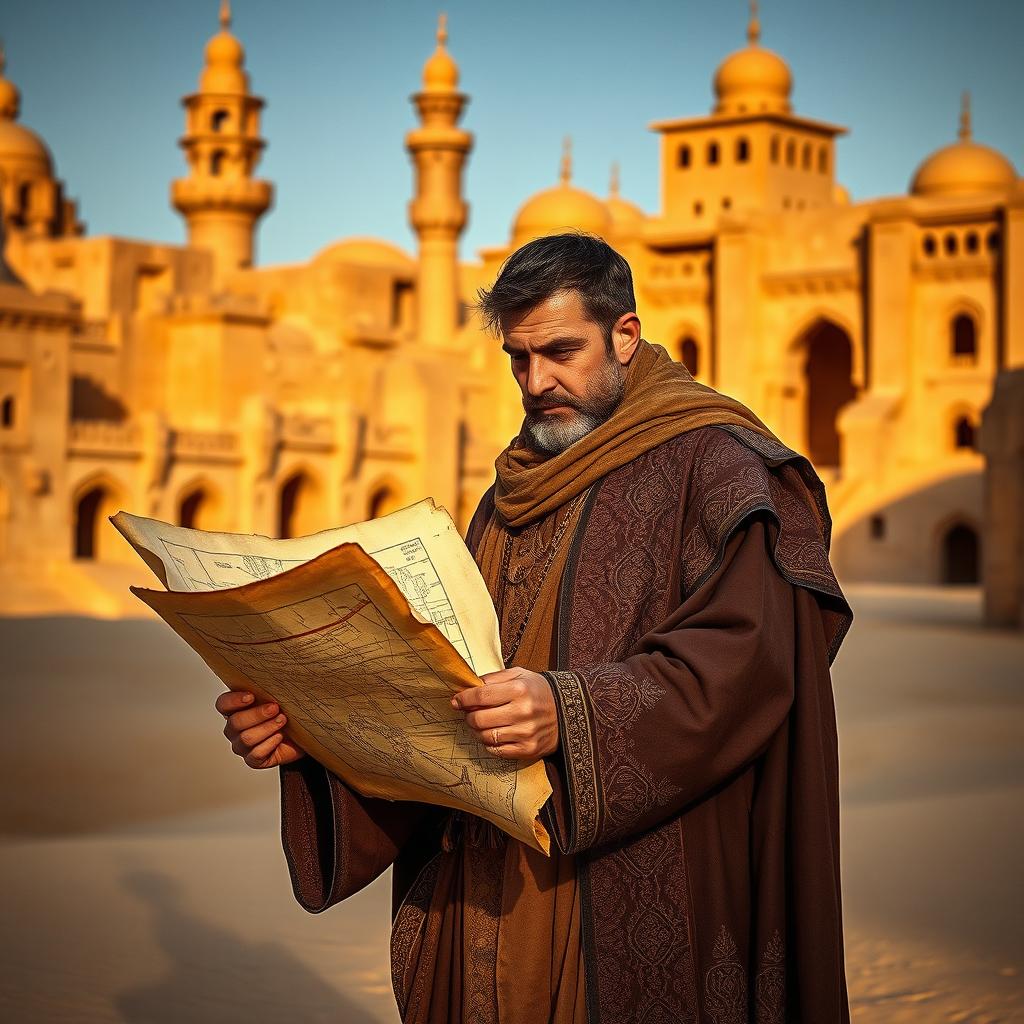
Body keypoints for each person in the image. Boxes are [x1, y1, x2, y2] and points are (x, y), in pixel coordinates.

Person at [216, 231, 854, 1023]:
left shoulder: (717, 465)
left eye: (559, 351)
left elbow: (752, 659)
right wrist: (311, 734)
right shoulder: (517, 481)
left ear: (627, 335)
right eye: (518, 358)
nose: (536, 380)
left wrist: (571, 710)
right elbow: (447, 681)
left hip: (637, 888)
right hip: (486, 889)